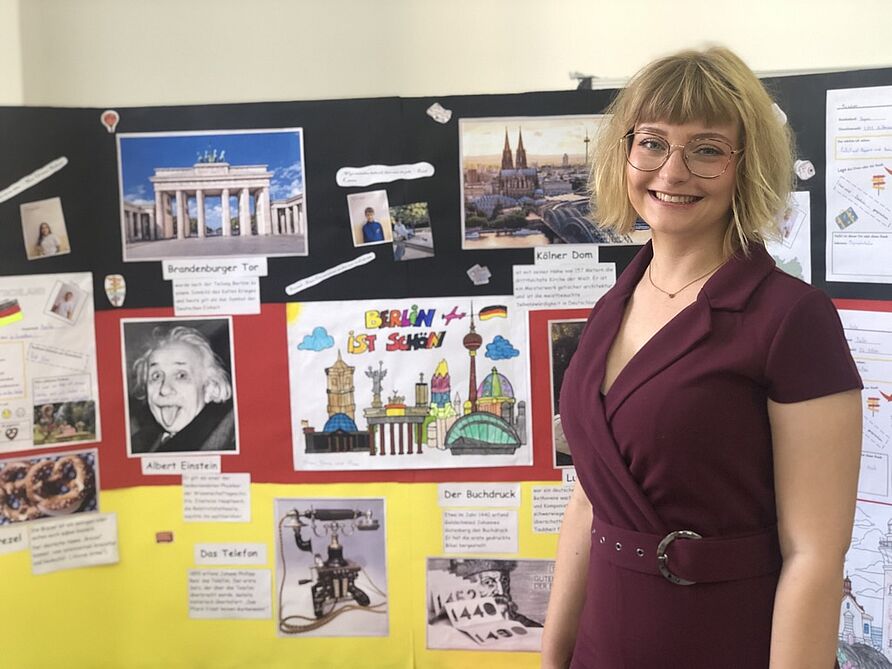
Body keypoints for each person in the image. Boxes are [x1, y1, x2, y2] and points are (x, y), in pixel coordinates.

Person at [541, 47, 862, 669]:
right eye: (653, 142)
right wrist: (553, 657)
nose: (673, 170)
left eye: (708, 149)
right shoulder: (614, 304)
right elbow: (588, 500)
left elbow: (814, 556)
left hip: (720, 640)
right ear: (624, 154)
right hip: (602, 644)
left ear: (748, 168)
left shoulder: (792, 319)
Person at [130, 325, 236, 454]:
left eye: (181, 375)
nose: (164, 389)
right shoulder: (137, 443)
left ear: (210, 388)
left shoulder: (227, 440)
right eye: (156, 376)